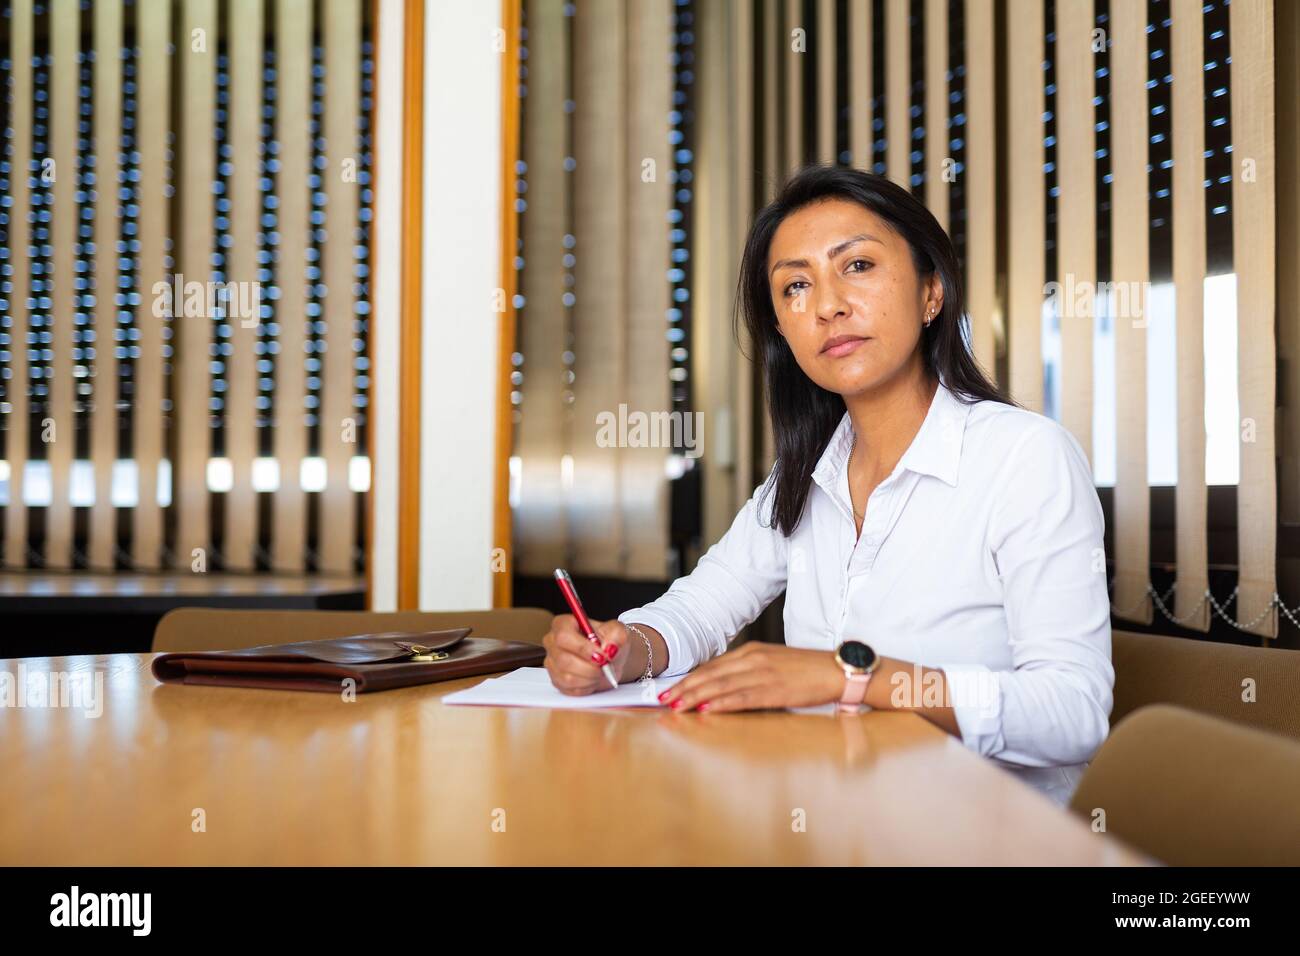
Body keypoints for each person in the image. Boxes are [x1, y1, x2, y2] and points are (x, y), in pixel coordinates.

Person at [542, 164, 1113, 806]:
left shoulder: (1024, 458)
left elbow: (1073, 711)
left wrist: (848, 675)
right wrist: (623, 649)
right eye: (795, 286)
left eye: (859, 266)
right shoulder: (804, 475)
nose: (828, 305)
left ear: (933, 292)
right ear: (783, 329)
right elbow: (699, 609)